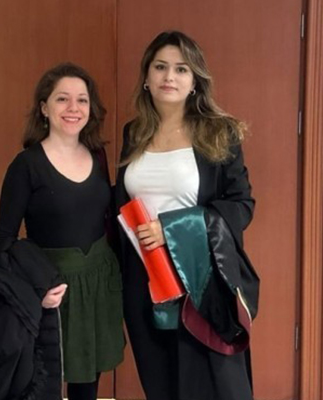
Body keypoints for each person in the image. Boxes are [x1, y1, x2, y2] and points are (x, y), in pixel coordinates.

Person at [114, 31, 258, 400]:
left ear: (195, 80)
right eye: (160, 67)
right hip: (144, 278)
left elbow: (242, 205)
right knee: (160, 382)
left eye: (181, 69)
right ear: (146, 77)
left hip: (201, 278)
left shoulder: (219, 133)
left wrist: (172, 229)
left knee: (214, 386)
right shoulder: (134, 133)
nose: (169, 77)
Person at [0, 62, 124, 400]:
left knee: (87, 383)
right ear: (44, 108)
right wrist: (35, 289)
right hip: (51, 288)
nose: (73, 108)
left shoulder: (97, 155)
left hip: (97, 283)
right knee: (41, 383)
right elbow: (4, 241)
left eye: (82, 100)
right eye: (62, 99)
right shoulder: (26, 165)